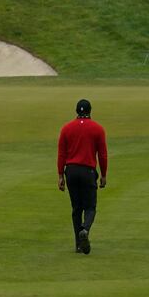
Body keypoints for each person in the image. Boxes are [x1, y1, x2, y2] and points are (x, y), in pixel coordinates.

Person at [57, 99, 108, 255]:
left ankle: (78, 245)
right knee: (90, 207)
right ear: (90, 111)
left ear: (76, 111)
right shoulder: (98, 129)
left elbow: (61, 154)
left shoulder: (66, 128)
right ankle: (84, 229)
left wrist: (60, 175)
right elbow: (103, 154)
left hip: (71, 171)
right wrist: (104, 175)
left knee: (76, 208)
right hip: (88, 171)